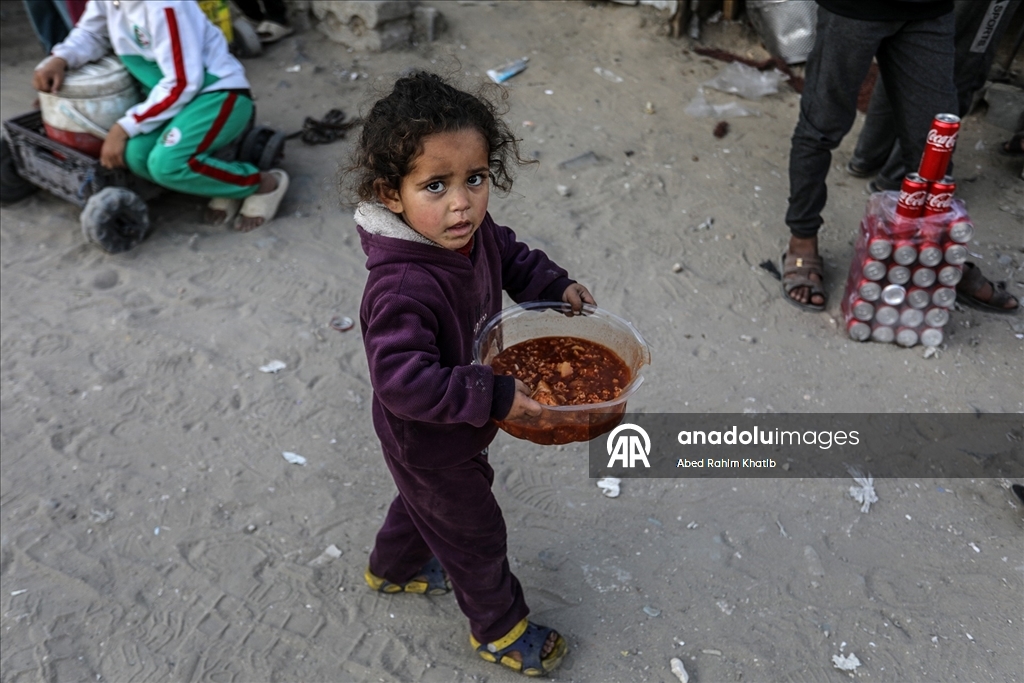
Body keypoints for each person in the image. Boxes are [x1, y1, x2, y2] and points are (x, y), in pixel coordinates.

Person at [350, 71, 592, 677]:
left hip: (456, 426)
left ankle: (394, 568)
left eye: (475, 179)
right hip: (430, 437)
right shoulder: (401, 286)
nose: (462, 202)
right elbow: (403, 382)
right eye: (435, 185)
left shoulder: (471, 233)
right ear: (390, 193)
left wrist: (552, 285)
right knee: (474, 535)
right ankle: (500, 631)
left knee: (425, 503)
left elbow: (510, 253)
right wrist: (497, 394)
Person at [32, 0, 288, 232]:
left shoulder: (165, 7)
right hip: (168, 98)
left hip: (216, 95)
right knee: (136, 156)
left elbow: (183, 82)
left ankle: (261, 183)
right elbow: (90, 33)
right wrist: (61, 58)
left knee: (166, 165)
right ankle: (224, 183)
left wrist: (124, 128)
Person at [781, 0, 958, 310]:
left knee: (935, 140)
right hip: (853, 9)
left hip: (930, 10)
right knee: (822, 125)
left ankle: (932, 250)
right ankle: (802, 237)